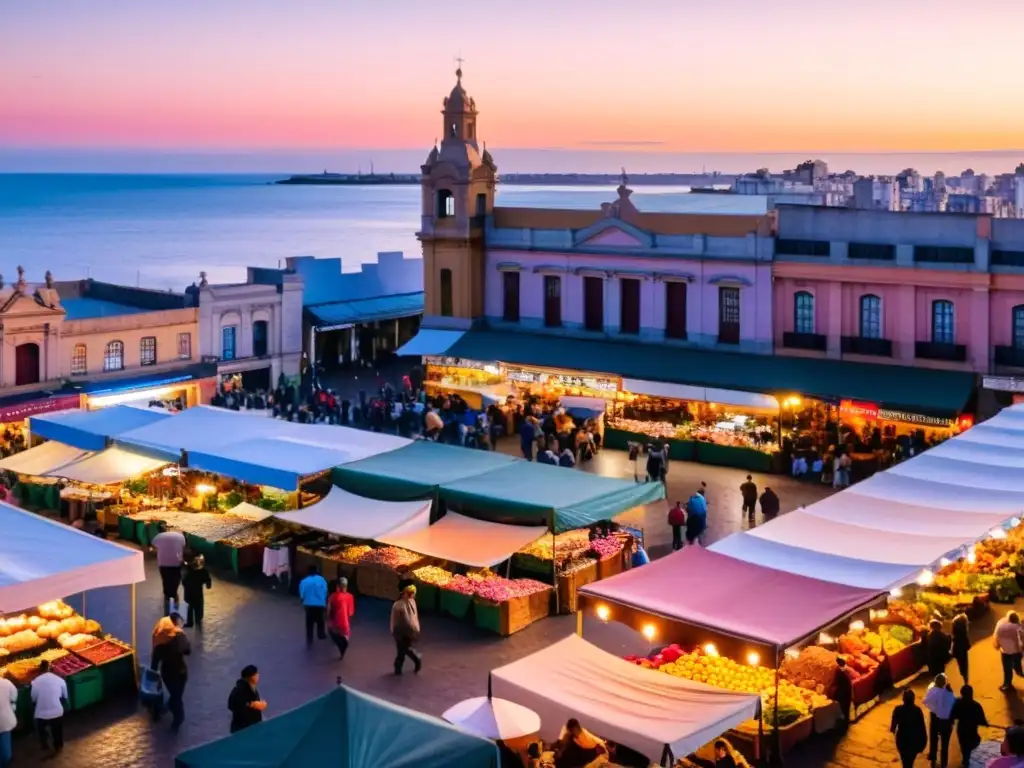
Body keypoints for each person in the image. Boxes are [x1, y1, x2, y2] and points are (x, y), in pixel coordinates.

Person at [152, 613, 190, 731]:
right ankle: (178, 718)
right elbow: (187, 650)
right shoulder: (178, 638)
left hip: (167, 674)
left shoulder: (159, 644)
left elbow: (154, 664)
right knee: (177, 696)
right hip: (180, 673)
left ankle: (163, 709)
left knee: (175, 695)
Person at [30, 660, 68, 754]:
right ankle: (58, 746)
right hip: (57, 712)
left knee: (40, 728)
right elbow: (65, 696)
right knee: (57, 730)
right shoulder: (60, 680)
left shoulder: (35, 682)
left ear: (40, 669)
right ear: (50, 668)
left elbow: (33, 698)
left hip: (41, 713)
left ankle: (45, 744)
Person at [151, 523, 186, 615]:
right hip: (176, 562)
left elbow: (153, 547)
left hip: (163, 562)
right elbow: (184, 547)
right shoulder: (181, 536)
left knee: (165, 579)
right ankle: (174, 594)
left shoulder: (159, 536)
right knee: (176, 578)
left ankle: (167, 594)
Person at [923, 673, 956, 768]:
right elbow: (953, 704)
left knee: (933, 739)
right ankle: (943, 764)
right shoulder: (949, 692)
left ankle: (933, 758)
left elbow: (926, 701)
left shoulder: (933, 691)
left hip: (935, 719)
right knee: (945, 744)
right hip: (947, 721)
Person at [951, 684, 988, 768]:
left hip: (962, 730)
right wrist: (985, 723)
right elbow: (982, 720)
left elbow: (953, 715)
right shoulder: (976, 706)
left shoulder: (958, 703)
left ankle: (966, 760)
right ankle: (968, 760)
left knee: (964, 747)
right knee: (972, 746)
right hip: (972, 731)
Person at [890, 689, 928, 768]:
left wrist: (894, 730)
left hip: (902, 741)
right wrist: (923, 743)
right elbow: (922, 728)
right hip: (913, 742)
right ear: (913, 699)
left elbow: (893, 727)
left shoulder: (898, 710)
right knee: (910, 762)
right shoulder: (917, 711)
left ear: (903, 699)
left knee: (904, 761)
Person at [390, 584, 422, 675]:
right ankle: (414, 659)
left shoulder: (410, 602)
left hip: (408, 631)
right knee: (403, 649)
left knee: (403, 650)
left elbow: (413, 617)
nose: (412, 596)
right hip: (401, 630)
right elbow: (394, 619)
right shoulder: (399, 605)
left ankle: (400, 667)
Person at [228, 665, 267, 734]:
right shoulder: (239, 690)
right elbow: (233, 705)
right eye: (256, 674)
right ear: (250, 677)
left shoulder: (252, 688)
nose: (258, 676)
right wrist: (253, 704)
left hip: (252, 727)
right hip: (243, 730)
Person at [298, 565, 328, 647]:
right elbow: (325, 591)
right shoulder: (322, 580)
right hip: (320, 604)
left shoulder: (304, 581)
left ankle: (309, 638)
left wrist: (303, 600)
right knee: (320, 620)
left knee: (309, 622)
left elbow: (302, 594)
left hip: (308, 604)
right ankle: (321, 634)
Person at [327, 577, 356, 661]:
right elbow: (351, 613)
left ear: (338, 587)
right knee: (344, 638)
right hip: (345, 624)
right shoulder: (350, 596)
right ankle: (342, 652)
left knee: (332, 633)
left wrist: (328, 618)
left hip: (335, 623)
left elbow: (329, 610)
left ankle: (341, 647)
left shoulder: (333, 596)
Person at [994, 610, 1024, 691]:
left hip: (1005, 651)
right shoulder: (1020, 626)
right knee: (1017, 664)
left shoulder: (1001, 625)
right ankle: (1018, 670)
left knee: (1007, 669)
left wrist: (997, 645)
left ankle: (1007, 684)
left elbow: (996, 636)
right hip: (1017, 651)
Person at [182, 553, 212, 630]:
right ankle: (198, 619)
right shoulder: (203, 570)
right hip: (197, 591)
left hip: (188, 591)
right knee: (198, 605)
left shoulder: (187, 569)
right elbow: (207, 579)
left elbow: (183, 579)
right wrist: (208, 585)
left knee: (189, 606)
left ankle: (190, 622)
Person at [0, 671, 17, 767]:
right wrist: (12, 707)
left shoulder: (6, 683)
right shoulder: (7, 683)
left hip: (4, 721)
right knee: (6, 753)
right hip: (5, 721)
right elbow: (14, 697)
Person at [833, 657, 854, 724]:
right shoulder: (842, 672)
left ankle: (844, 724)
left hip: (844, 694)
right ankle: (845, 723)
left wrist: (835, 695)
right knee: (845, 710)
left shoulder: (839, 672)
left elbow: (841, 686)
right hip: (846, 694)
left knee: (844, 710)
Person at [950, 613, 970, 683]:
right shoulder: (964, 634)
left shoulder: (955, 634)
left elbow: (953, 639)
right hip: (963, 649)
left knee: (960, 663)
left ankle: (963, 673)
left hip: (957, 649)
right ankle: (965, 676)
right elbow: (968, 645)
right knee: (964, 663)